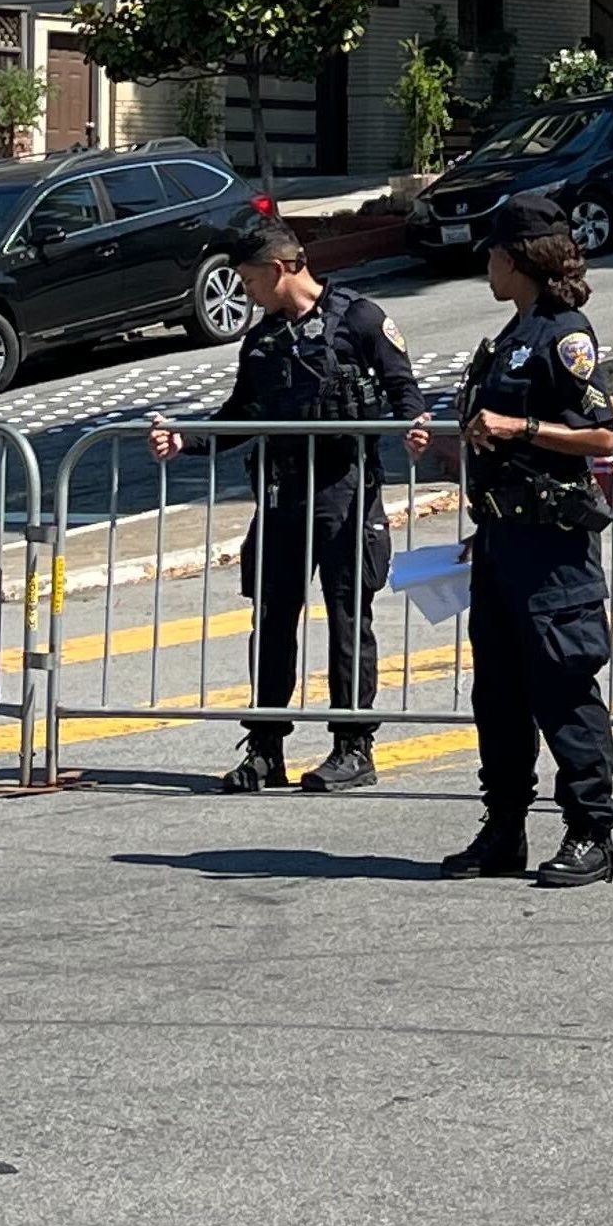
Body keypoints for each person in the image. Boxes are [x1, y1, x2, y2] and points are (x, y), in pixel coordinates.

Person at [149, 219, 423, 795]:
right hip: (280, 495)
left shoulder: (360, 319)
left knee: (349, 619)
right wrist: (185, 440)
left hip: (345, 490)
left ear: (277, 270)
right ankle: (266, 747)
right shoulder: (264, 339)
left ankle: (353, 747)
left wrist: (415, 434)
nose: (244, 293)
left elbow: (407, 397)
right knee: (272, 621)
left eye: (248, 281)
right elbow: (241, 416)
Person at [407, 191, 613, 889]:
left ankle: (590, 831)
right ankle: (504, 830)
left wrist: (520, 429)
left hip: (553, 553)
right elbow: (493, 437)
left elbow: (603, 436)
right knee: (497, 696)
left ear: (518, 258)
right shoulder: (509, 337)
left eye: (494, 255)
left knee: (563, 691)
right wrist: (453, 449)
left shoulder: (565, 335)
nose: (487, 268)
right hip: (502, 539)